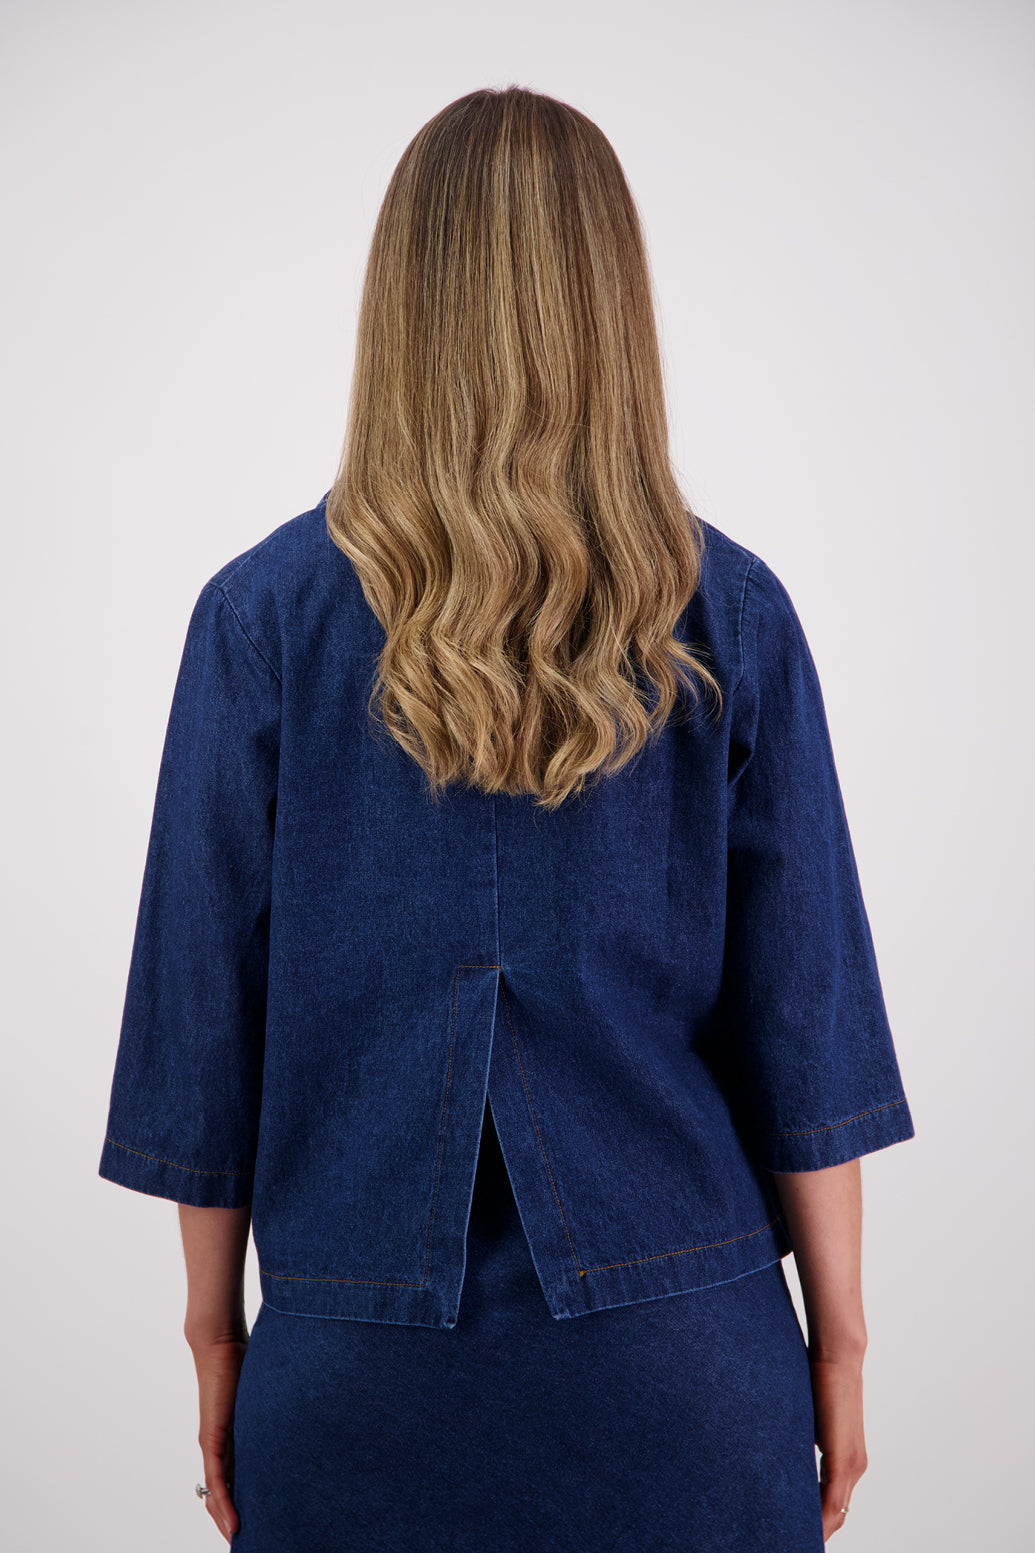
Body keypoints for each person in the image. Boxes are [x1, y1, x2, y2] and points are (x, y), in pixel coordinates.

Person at [98, 85, 916, 1551]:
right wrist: (841, 1346)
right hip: (687, 1373)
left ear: (399, 312)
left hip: (352, 1379)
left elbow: (198, 1035)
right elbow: (809, 1030)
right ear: (614, 312)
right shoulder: (733, 617)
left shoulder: (258, 621)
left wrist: (216, 1340)